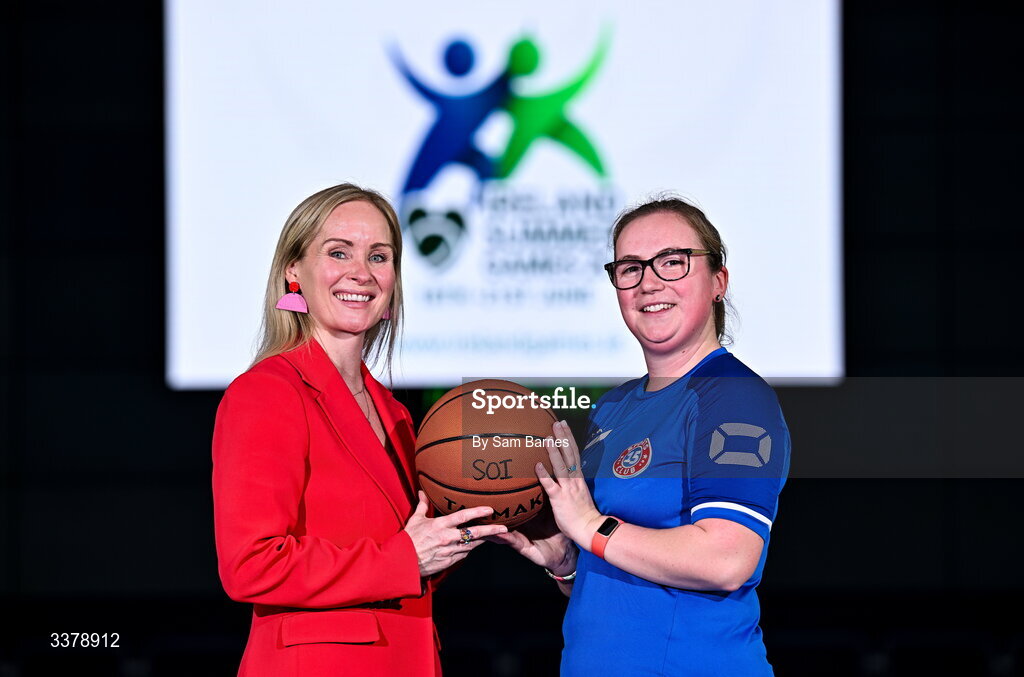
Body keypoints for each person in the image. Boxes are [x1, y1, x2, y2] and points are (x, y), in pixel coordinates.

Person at [212, 183, 507, 677]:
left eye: (379, 256)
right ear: (294, 272)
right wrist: (404, 558)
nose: (361, 273)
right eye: (338, 252)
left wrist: (493, 520)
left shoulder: (395, 413)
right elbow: (251, 566)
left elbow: (414, 553)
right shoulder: (266, 392)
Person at [493, 196, 791, 676]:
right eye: (630, 268)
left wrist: (589, 526)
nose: (648, 281)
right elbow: (616, 573)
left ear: (719, 281)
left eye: (672, 262)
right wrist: (566, 560)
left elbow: (727, 558)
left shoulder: (731, 395)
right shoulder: (615, 406)